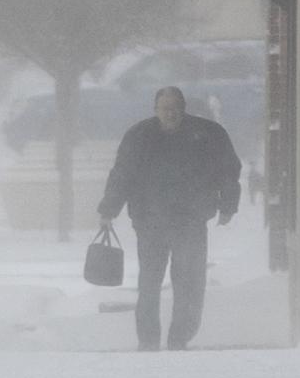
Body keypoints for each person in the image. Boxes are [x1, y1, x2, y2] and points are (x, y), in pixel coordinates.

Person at [97, 86, 242, 351]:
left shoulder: (208, 135)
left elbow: (228, 170)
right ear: (155, 110)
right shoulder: (139, 137)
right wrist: (108, 209)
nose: (170, 113)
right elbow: (122, 174)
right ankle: (148, 338)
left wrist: (228, 205)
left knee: (189, 280)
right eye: (165, 108)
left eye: (175, 108)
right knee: (149, 282)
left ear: (184, 108)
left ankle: (180, 336)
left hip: (191, 219)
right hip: (149, 220)